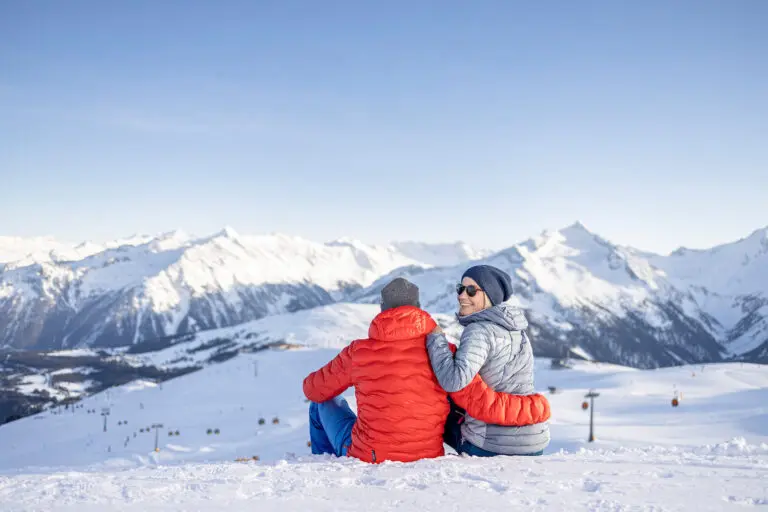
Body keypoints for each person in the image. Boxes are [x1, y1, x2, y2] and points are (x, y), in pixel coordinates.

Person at [303, 278, 550, 463]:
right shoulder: (444, 351)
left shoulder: (358, 351)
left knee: (321, 404)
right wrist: (534, 408)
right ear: (418, 308)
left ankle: (324, 465)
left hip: (370, 454)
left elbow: (313, 390)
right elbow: (474, 401)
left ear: (382, 309)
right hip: (427, 455)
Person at [427, 265, 550, 457]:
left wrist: (437, 342)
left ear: (490, 296)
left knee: (434, 409)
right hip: (534, 440)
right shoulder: (518, 331)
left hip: (490, 444)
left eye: (471, 291)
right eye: (460, 288)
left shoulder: (478, 330)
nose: (461, 296)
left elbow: (453, 381)